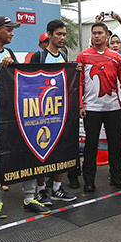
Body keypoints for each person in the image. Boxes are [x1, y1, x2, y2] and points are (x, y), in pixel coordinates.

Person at [0, 16, 50, 216]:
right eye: (9, 29)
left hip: (16, 117)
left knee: (26, 155)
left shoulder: (10, 53)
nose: (12, 33)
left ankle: (29, 198)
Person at [25, 19, 77, 203]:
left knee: (60, 150)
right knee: (41, 149)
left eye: (64, 34)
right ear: (49, 35)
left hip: (60, 111)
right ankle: (40, 190)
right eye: (58, 34)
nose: (62, 38)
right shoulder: (38, 56)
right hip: (41, 112)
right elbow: (30, 85)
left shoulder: (63, 55)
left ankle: (57, 188)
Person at [77, 22, 121, 193]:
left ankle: (117, 178)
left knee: (115, 146)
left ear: (107, 35)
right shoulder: (83, 56)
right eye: (94, 33)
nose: (96, 36)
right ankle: (89, 181)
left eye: (100, 33)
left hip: (114, 108)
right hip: (91, 108)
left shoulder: (117, 57)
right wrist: (80, 105)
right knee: (90, 147)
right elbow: (79, 83)